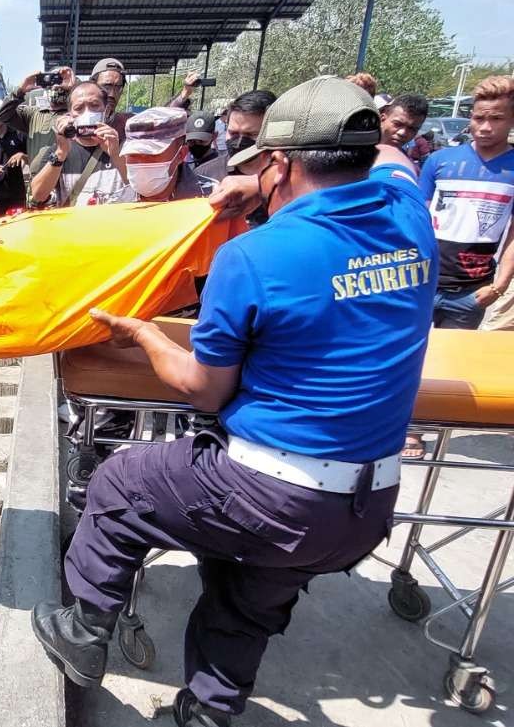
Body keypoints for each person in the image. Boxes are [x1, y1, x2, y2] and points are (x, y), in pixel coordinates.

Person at [33, 76, 438, 726]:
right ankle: (205, 713)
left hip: (276, 493)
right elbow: (392, 160)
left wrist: (141, 335)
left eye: (265, 168)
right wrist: (260, 186)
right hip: (368, 506)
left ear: (282, 163)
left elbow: (203, 387)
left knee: (119, 482)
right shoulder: (412, 219)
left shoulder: (256, 254)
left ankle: (83, 630)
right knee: (243, 593)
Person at [418, 75, 514, 330]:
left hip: (470, 293)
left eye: (496, 119)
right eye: (478, 118)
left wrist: (499, 285)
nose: (484, 127)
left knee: (451, 366)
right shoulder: (440, 161)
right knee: (403, 359)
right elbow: (416, 218)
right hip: (421, 284)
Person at [28, 81, 126, 207]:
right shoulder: (60, 150)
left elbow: (140, 189)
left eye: (94, 105)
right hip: (73, 226)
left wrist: (116, 155)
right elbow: (38, 195)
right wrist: (60, 153)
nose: (87, 112)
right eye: (79, 108)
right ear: (70, 115)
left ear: (106, 111)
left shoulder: (123, 146)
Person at [113, 106, 216, 203]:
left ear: (181, 154)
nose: (140, 161)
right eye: (133, 154)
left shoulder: (213, 198)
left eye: (150, 154)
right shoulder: (115, 204)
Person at [0, 65, 74, 167]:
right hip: (38, 180)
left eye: (60, 80)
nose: (56, 86)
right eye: (51, 80)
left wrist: (74, 88)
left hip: (69, 179)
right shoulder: (33, 114)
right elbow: (3, 115)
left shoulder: (76, 115)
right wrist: (20, 91)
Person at [195, 90, 277, 182]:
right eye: (233, 133)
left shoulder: (289, 178)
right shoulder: (204, 176)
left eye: (251, 134)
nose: (239, 143)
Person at [89, 57, 130, 135]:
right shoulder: (75, 124)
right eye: (106, 86)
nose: (112, 94)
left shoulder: (127, 127)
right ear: (92, 85)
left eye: (118, 87)